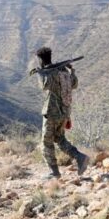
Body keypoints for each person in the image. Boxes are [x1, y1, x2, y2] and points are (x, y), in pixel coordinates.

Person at [35, 47, 89, 179]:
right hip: (65, 112)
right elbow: (74, 84)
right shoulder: (63, 70)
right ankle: (80, 157)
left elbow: (44, 86)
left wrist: (40, 73)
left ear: (41, 60)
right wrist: (72, 71)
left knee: (46, 142)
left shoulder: (50, 72)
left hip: (52, 112)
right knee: (59, 138)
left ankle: (54, 172)